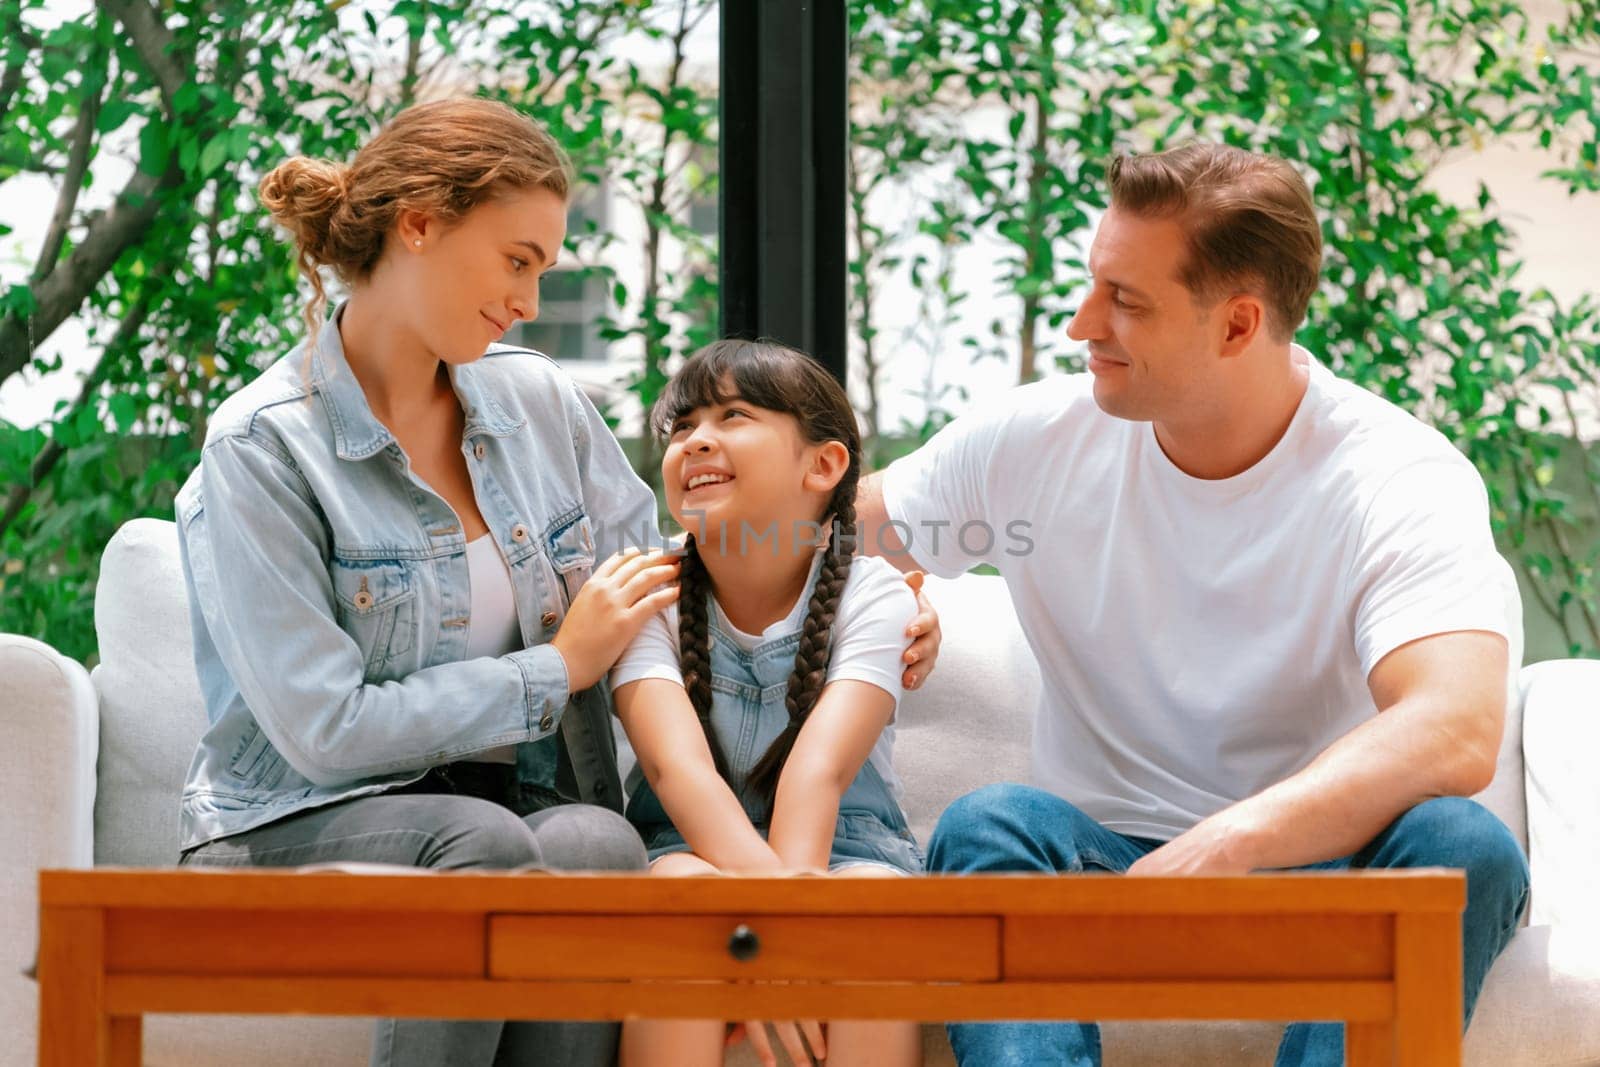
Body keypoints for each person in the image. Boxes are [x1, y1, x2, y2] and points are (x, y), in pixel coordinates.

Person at [171, 98, 941, 1067]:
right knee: (485, 843)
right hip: (296, 813)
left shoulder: (535, 401)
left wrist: (866, 595)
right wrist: (557, 665)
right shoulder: (263, 446)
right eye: (517, 260)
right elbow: (323, 732)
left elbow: (660, 573)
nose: (530, 300)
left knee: (595, 841)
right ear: (418, 224)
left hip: (501, 800)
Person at [854, 143, 1530, 1067]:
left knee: (1462, 842)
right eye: (1095, 286)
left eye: (1126, 301)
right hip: (1103, 864)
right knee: (987, 821)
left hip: (1320, 870)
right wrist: (878, 585)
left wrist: (1233, 841)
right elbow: (809, 533)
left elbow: (1455, 726)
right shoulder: (1036, 437)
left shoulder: (1395, 477)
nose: (1082, 323)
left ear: (1239, 324)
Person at [611, 340, 924, 1067]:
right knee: (685, 904)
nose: (695, 440)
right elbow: (676, 772)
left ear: (824, 465)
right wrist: (777, 948)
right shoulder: (642, 592)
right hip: (685, 848)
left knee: (872, 911)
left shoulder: (872, 594)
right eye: (681, 426)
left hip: (847, 852)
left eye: (733, 415)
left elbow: (818, 772)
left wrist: (785, 936)